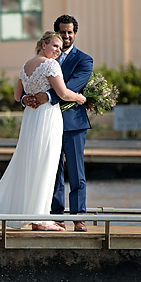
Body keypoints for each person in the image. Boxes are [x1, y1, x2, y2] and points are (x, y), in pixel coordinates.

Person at [0, 31, 86, 231]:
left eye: (59, 46)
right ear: (43, 45)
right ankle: (40, 219)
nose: (58, 49)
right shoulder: (50, 64)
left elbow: (16, 95)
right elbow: (62, 93)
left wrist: (25, 100)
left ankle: (34, 215)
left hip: (31, 118)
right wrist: (80, 98)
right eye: (54, 45)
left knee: (32, 163)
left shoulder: (26, 65)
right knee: (45, 163)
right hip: (47, 117)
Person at [21, 15, 93, 231]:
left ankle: (79, 217)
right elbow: (26, 88)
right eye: (63, 32)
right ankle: (55, 215)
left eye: (70, 32)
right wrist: (27, 100)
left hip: (73, 123)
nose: (67, 36)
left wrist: (47, 96)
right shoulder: (44, 59)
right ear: (55, 34)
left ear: (75, 34)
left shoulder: (84, 60)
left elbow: (72, 86)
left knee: (76, 170)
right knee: (51, 169)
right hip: (44, 122)